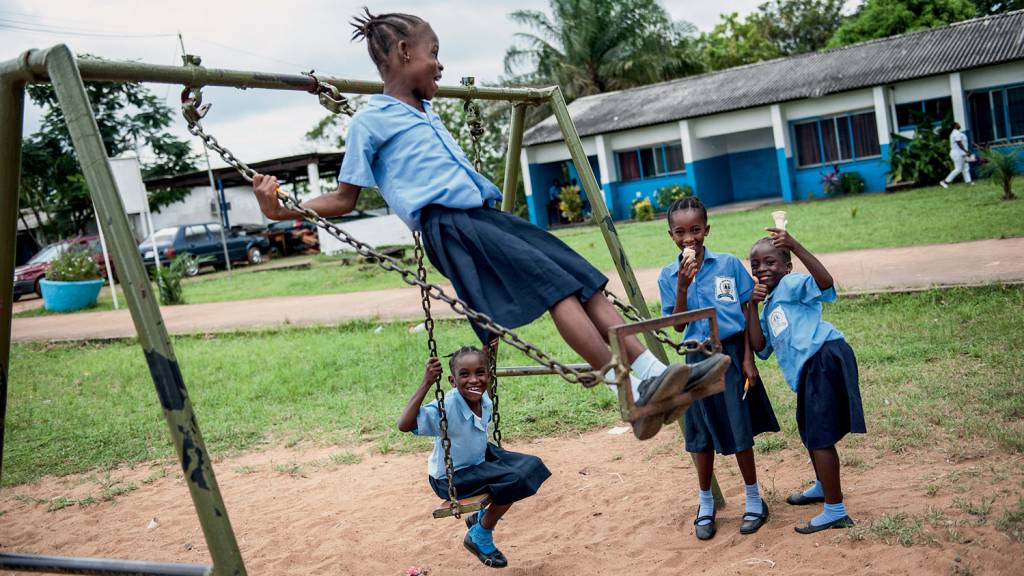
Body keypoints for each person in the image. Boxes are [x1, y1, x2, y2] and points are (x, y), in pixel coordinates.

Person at [252, 9, 701, 439]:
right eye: (433, 52)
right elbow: (342, 198)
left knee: (582, 278)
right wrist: (282, 210)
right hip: (451, 226)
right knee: (556, 288)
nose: (440, 64)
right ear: (405, 52)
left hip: (484, 217)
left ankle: (655, 373)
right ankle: (628, 390)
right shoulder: (369, 122)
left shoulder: (425, 110)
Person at [657, 197, 779, 540]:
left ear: (706, 230)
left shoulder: (727, 264)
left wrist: (748, 359)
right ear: (671, 236)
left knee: (739, 429)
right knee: (700, 436)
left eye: (696, 230)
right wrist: (682, 286)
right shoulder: (668, 276)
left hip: (732, 355)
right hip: (696, 359)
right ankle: (706, 502)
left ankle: (754, 498)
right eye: (681, 232)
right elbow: (678, 326)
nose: (689, 238)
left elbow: (746, 310)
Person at [746, 228, 866, 534]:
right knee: (810, 430)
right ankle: (823, 486)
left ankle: (836, 511)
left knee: (820, 436)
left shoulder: (792, 284)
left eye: (770, 262)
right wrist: (751, 307)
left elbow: (825, 283)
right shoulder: (768, 305)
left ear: (787, 266)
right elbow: (760, 347)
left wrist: (796, 246)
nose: (762, 269)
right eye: (755, 265)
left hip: (823, 356)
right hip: (808, 370)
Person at [398, 348, 549, 568]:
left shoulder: (482, 397)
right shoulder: (447, 406)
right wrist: (427, 382)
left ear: (488, 374)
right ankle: (479, 534)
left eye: (480, 373)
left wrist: (489, 341)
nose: (474, 380)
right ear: (452, 381)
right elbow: (404, 424)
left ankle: (478, 520)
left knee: (532, 465)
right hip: (451, 477)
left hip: (479, 458)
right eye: (464, 374)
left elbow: (488, 353)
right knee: (514, 480)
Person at [940, 122, 973, 188]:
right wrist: (966, 151)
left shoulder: (959, 133)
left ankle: (969, 182)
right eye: (958, 124)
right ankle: (945, 182)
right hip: (957, 153)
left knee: (966, 167)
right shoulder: (956, 133)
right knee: (958, 169)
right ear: (955, 126)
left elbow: (965, 142)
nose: (959, 124)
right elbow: (959, 143)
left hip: (961, 152)